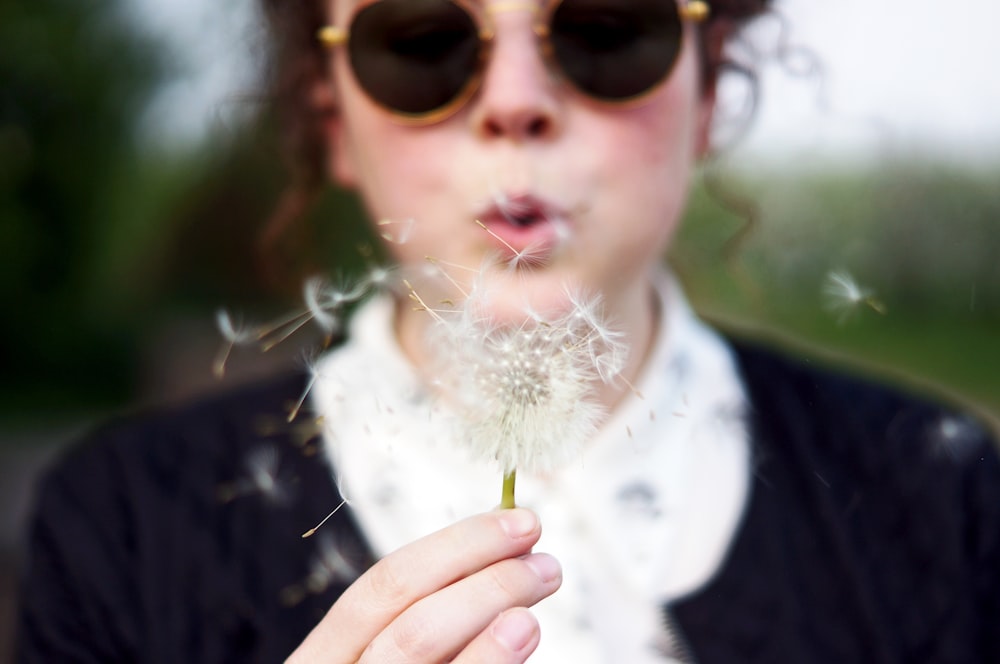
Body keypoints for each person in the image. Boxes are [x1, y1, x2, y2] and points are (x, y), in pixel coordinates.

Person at [16, 0, 1000, 662]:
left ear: (707, 89)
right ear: (327, 116)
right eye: (420, 42)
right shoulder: (119, 528)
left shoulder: (943, 492)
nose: (515, 104)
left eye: (608, 30)